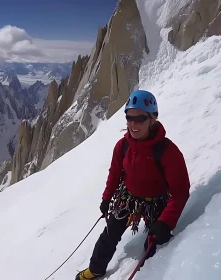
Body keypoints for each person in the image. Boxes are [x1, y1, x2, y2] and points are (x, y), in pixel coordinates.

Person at [75, 90, 191, 279]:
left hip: (157, 202)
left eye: (140, 119)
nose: (133, 124)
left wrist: (165, 222)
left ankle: (147, 274)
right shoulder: (123, 146)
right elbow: (114, 174)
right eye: (129, 118)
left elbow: (180, 192)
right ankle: (95, 269)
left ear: (152, 119)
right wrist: (106, 199)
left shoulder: (168, 151)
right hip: (128, 198)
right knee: (109, 234)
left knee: (154, 245)